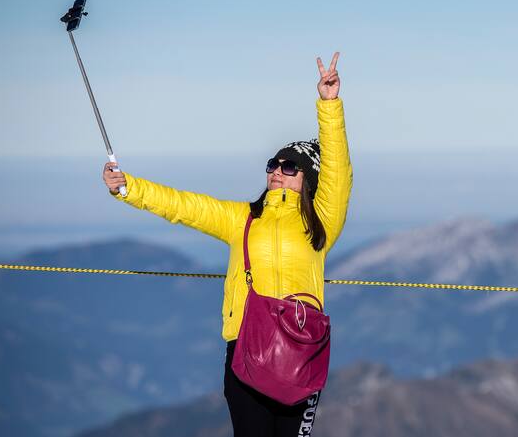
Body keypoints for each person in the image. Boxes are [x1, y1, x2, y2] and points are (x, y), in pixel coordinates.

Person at [102, 52, 351, 437]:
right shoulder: (243, 219)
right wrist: (129, 188)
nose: (277, 172)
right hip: (247, 355)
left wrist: (329, 104)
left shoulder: (320, 221)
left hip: (301, 354)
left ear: (309, 179)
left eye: (289, 167)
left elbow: (338, 168)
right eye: (273, 164)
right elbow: (183, 206)